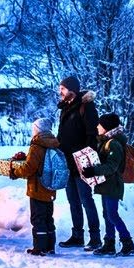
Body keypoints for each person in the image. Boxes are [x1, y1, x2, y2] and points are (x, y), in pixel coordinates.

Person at [81, 113, 134, 257]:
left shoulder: (113, 143)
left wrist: (94, 170)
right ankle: (109, 243)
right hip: (106, 184)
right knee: (107, 215)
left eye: (100, 125)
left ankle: (128, 242)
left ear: (106, 127)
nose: (97, 126)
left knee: (112, 215)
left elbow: (112, 166)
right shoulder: (106, 141)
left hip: (113, 185)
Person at [55, 75, 101, 250]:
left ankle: (95, 237)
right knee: (72, 200)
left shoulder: (86, 107)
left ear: (71, 90)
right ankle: (77, 236)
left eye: (63, 89)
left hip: (82, 161)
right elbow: (62, 134)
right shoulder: (65, 108)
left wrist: (87, 160)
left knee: (85, 199)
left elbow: (92, 136)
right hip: (67, 161)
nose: (60, 91)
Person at [10, 117, 60, 255]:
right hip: (50, 187)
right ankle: (50, 246)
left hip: (37, 188)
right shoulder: (53, 143)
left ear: (37, 130)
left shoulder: (37, 145)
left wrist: (15, 172)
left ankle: (40, 247)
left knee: (37, 218)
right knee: (48, 218)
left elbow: (29, 167)